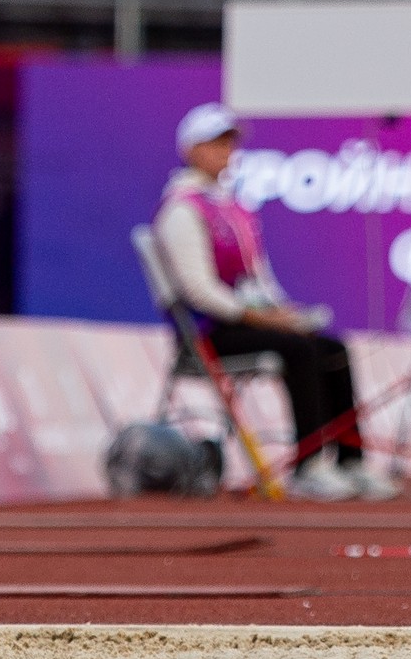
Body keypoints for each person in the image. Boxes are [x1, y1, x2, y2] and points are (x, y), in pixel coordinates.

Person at [152, 103, 398, 502]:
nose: (227, 152)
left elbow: (259, 279)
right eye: (216, 143)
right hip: (209, 334)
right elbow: (198, 291)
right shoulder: (181, 209)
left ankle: (351, 461)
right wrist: (263, 319)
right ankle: (309, 466)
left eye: (229, 143)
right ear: (191, 151)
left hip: (250, 323)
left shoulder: (235, 206)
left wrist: (285, 312)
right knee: (299, 349)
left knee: (330, 347)